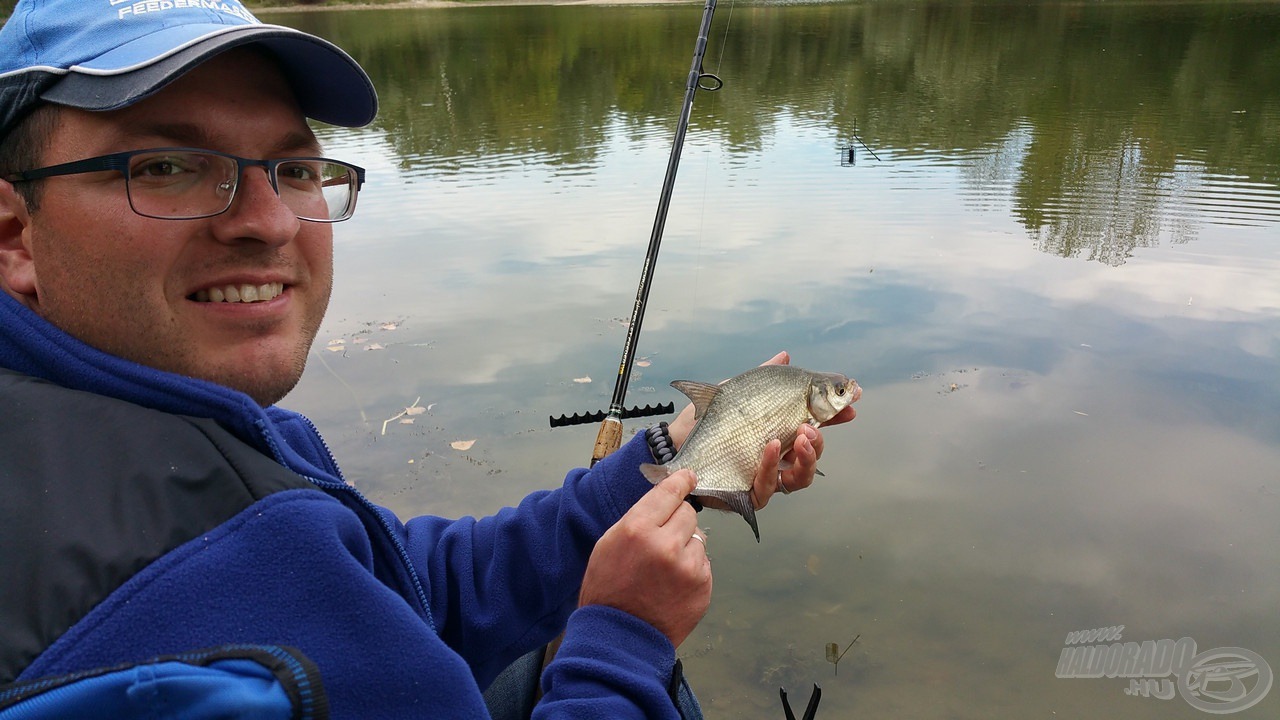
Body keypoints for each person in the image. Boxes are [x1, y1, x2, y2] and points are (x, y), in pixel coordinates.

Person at [0, 1, 854, 718]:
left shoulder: (180, 423)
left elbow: (410, 588)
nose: (267, 219)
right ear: (15, 236)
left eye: (293, 167)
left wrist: (666, 461)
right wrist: (624, 639)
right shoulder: (162, 659)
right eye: (166, 165)